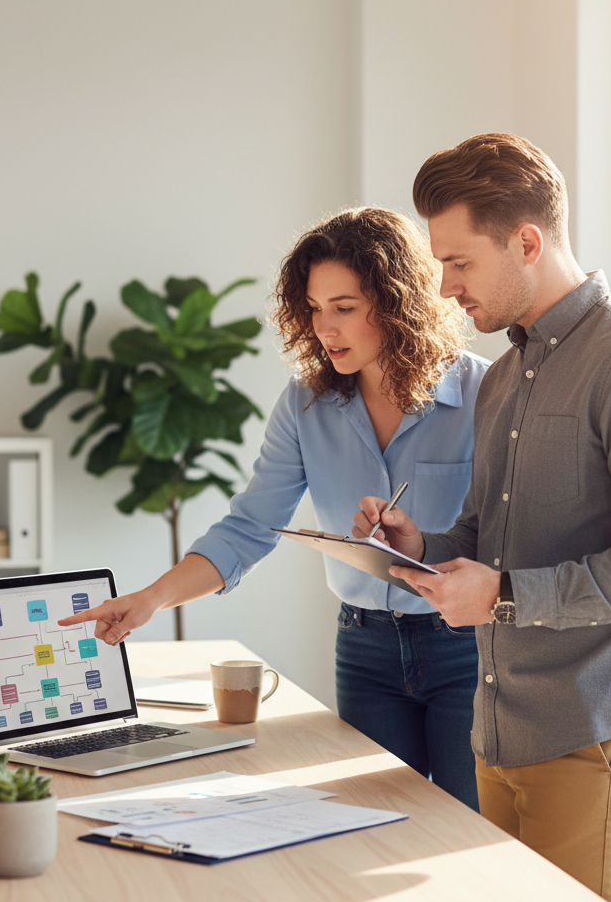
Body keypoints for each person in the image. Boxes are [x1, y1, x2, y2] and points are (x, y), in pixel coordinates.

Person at [353, 134, 611, 902]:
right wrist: (419, 545)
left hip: (593, 729)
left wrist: (506, 594)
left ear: (526, 241)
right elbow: (487, 536)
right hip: (501, 724)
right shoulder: (504, 378)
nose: (445, 288)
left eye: (458, 262)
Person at [59, 207, 490, 810]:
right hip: (365, 651)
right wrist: (151, 598)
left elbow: (510, 534)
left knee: (466, 828)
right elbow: (249, 526)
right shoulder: (305, 404)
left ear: (398, 304)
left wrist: (427, 542)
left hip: (466, 649)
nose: (324, 328)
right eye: (313, 309)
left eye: (343, 307)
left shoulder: (484, 395)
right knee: (375, 822)